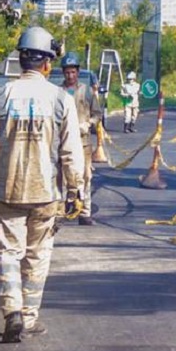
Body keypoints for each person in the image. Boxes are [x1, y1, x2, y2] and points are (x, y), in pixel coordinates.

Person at [0, 26, 85, 343]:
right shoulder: (61, 99)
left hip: (7, 191)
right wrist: (76, 191)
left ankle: (12, 314)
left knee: (7, 253)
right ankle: (30, 318)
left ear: (21, 60)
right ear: (48, 63)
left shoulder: (1, 96)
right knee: (37, 256)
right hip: (46, 194)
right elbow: (71, 152)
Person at [60, 52, 103, 225]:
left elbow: (97, 113)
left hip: (83, 142)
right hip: (63, 142)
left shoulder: (87, 92)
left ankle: (85, 213)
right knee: (62, 177)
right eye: (67, 72)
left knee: (85, 176)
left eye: (73, 72)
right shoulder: (58, 92)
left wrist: (89, 123)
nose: (70, 75)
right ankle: (62, 210)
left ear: (78, 72)